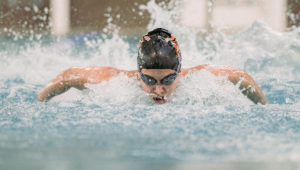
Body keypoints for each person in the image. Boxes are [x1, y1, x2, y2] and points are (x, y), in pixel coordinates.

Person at [37, 28, 269, 105]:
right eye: (149, 80)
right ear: (138, 72)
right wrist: (38, 103)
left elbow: (241, 75)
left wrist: (265, 107)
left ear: (179, 72)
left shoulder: (199, 79)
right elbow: (69, 76)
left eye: (167, 80)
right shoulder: (114, 81)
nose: (159, 90)